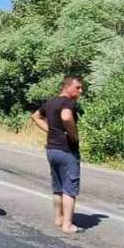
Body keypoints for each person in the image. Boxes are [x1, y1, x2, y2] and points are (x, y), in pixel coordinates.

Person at [31, 76, 84, 233]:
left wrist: (51, 131)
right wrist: (73, 135)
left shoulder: (51, 102)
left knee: (58, 186)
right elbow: (66, 117)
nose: (80, 91)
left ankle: (58, 218)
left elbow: (35, 116)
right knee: (69, 188)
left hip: (52, 149)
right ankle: (67, 224)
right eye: (78, 87)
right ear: (67, 87)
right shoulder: (68, 102)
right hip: (67, 150)